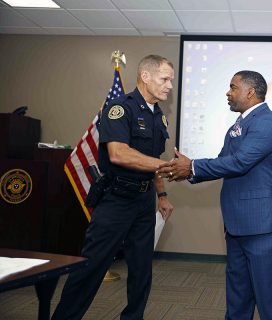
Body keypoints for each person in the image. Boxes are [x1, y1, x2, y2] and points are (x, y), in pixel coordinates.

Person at [158, 70, 272, 320]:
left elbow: (241, 162)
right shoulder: (240, 124)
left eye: (233, 87)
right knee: (238, 296)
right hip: (237, 225)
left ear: (250, 92)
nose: (228, 92)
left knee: (271, 301)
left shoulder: (267, 122)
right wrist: (187, 172)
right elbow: (224, 161)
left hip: (263, 226)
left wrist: (192, 166)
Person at [52, 55, 175, 320]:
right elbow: (119, 154)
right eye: (165, 79)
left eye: (171, 81)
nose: (169, 86)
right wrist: (166, 166)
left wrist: (162, 194)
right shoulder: (120, 108)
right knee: (91, 267)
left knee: (142, 269)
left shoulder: (159, 118)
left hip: (144, 201)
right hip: (116, 199)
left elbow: (151, 164)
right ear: (145, 76)